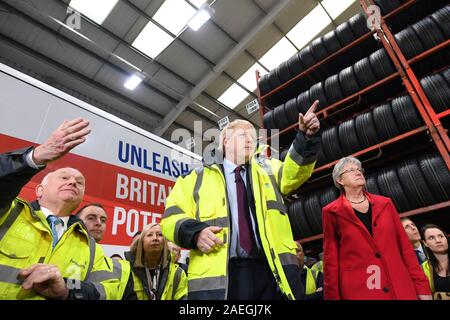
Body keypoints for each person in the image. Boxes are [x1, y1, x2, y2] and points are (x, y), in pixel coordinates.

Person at [161, 101, 321, 300]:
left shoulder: (268, 169)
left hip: (271, 270)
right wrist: (195, 234)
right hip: (222, 277)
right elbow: (170, 217)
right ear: (226, 142)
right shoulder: (194, 178)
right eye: (243, 135)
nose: (250, 141)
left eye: (253, 138)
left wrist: (306, 138)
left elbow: (294, 173)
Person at [0, 118, 119, 300]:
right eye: (64, 178)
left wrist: (67, 289)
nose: (73, 182)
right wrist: (34, 158)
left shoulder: (91, 247)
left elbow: (107, 291)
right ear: (39, 190)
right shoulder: (9, 212)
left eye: (79, 183)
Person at [322, 156, 432, 300]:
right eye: (350, 170)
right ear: (340, 180)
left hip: (399, 287)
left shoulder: (385, 203)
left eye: (359, 169)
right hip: (360, 290)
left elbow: (405, 247)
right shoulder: (331, 212)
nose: (358, 172)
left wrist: (422, 287)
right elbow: (330, 260)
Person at [76, 202, 136, 300]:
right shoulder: (62, 251)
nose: (98, 223)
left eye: (103, 220)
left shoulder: (121, 268)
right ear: (77, 221)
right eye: (91, 218)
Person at [124, 223, 187, 300]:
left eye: (160, 235)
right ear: (141, 242)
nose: (155, 238)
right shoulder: (126, 271)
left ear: (165, 243)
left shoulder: (178, 274)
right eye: (149, 235)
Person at [420, 224, 450, 299]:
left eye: (441, 236)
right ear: (425, 243)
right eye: (431, 238)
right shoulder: (423, 268)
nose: (438, 240)